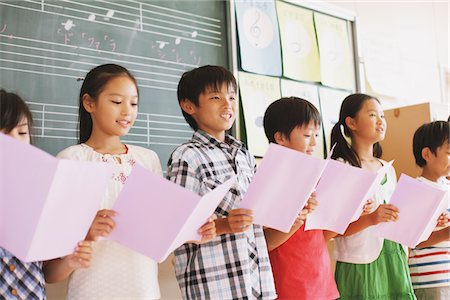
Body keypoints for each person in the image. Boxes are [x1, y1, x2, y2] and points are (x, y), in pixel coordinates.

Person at [54, 64, 215, 299]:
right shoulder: (70, 160)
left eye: (133, 103)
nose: (127, 111)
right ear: (89, 103)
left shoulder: (146, 159)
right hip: (90, 291)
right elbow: (51, 269)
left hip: (143, 290)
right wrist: (88, 233)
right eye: (117, 102)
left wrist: (192, 231)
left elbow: (157, 235)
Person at [167, 65, 276, 299]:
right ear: (189, 105)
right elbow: (177, 228)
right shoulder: (186, 156)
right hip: (216, 285)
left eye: (232, 97)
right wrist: (226, 225)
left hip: (257, 281)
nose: (228, 105)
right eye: (216, 97)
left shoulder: (244, 154)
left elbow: (257, 215)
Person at [0, 89, 92, 300]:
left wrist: (70, 261)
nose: (16, 140)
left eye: (22, 133)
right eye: (5, 133)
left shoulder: (37, 195)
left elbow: (48, 274)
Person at [330, 93, 415, 299]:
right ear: (351, 122)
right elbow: (331, 230)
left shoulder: (387, 169)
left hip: (394, 257)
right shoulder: (342, 167)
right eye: (372, 115)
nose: (381, 122)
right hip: (360, 261)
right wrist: (371, 218)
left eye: (382, 116)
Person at [262, 97, 339, 299]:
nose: (314, 142)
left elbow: (322, 235)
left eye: (316, 134)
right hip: (289, 282)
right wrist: (298, 216)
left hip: (320, 278)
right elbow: (266, 242)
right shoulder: (269, 179)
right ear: (280, 137)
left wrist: (349, 210)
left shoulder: (315, 176)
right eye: (307, 135)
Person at [409, 120, 450, 299]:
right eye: (449, 152)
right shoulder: (415, 189)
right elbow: (410, 241)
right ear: (427, 154)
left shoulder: (447, 186)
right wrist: (445, 233)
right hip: (430, 280)